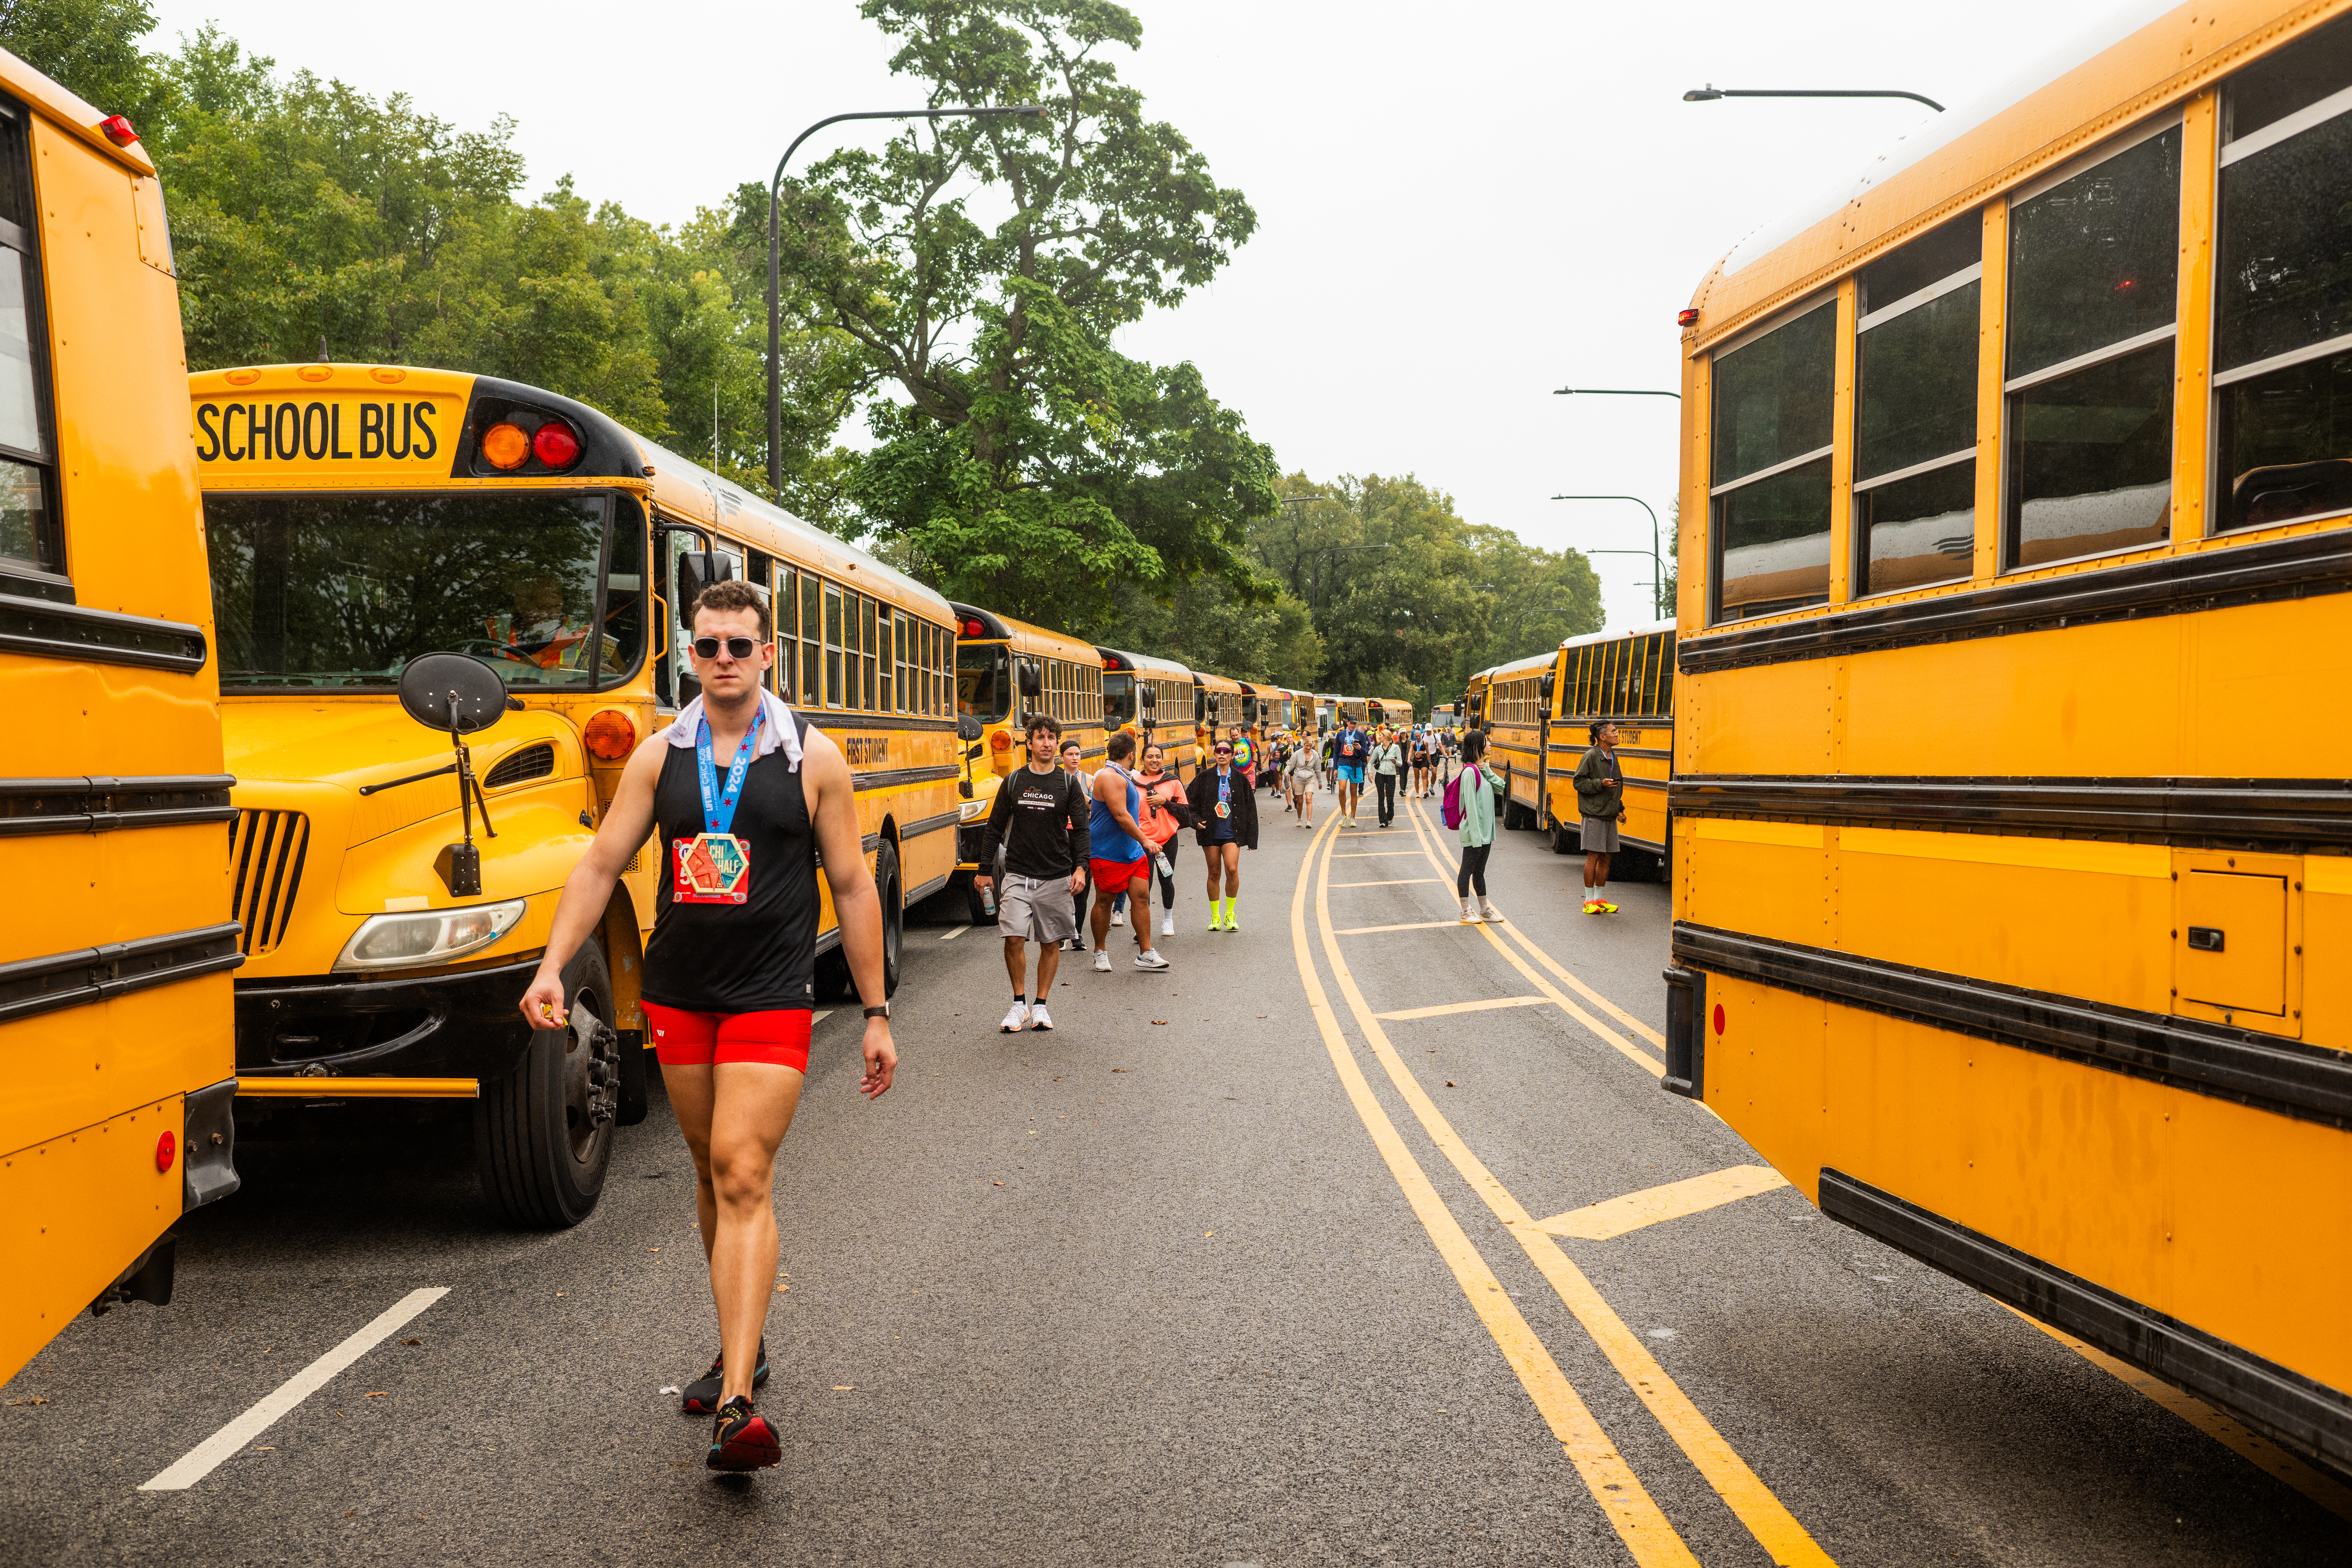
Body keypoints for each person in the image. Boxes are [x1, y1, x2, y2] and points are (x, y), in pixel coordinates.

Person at [516, 579, 896, 1475]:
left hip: (771, 991)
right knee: (705, 1168)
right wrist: (548, 966)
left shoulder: (813, 757)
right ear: (690, 655)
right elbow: (602, 862)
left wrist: (876, 1011)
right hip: (681, 993)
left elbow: (851, 885)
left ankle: (737, 1405)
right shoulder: (660, 755)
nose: (722, 657)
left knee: (742, 1166)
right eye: (707, 645)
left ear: (769, 653)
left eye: (739, 644)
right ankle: (744, 1340)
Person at [976, 716, 1090, 1032]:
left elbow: (1081, 830)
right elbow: (994, 828)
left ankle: (1041, 1006)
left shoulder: (1068, 784)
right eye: (1041, 737)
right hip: (1018, 874)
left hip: (1056, 876)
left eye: (1052, 738)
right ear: (1029, 743)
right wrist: (985, 870)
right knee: (1013, 937)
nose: (1047, 743)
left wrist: (1081, 867)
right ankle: (1018, 1003)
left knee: (1050, 942)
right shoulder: (1013, 781)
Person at [1086, 731, 1169, 971]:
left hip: (1132, 852)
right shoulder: (1110, 777)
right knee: (1104, 902)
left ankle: (1146, 952)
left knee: (1142, 898)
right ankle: (1100, 951)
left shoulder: (1124, 774)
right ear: (1132, 755)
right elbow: (1121, 816)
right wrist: (1147, 841)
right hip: (1108, 852)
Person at [1188, 736, 1257, 930]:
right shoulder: (1204, 777)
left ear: (1233, 755)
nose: (1222, 754)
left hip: (1232, 832)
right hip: (1210, 832)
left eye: (1226, 752)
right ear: (1215, 754)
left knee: (1232, 870)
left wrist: (1252, 839)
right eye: (1219, 751)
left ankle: (1230, 914)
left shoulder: (1240, 779)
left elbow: (1251, 808)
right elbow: (1189, 802)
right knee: (1214, 873)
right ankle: (1215, 917)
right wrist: (1194, 821)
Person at [1573, 720, 1628, 915]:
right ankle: (1588, 901)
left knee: (1606, 856)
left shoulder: (1613, 756)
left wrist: (1619, 809)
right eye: (1614, 731)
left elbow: (1618, 784)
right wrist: (1600, 784)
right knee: (1594, 856)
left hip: (1609, 814)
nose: (1617, 734)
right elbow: (1578, 782)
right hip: (1594, 814)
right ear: (1602, 737)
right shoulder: (1591, 756)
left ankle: (1599, 899)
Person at [1452, 730, 1506, 925]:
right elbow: (1470, 808)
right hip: (1475, 833)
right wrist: (1476, 836)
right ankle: (1465, 911)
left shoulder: (1483, 770)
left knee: (1480, 871)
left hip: (1485, 833)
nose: (1490, 744)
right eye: (1487, 741)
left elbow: (1502, 787)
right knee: (1466, 871)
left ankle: (1484, 910)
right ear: (1477, 746)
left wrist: (1488, 771)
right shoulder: (1469, 772)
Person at [1059, 737, 1089, 951]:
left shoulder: (1089, 779)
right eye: (1070, 754)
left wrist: (1081, 794)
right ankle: (1060, 935)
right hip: (1060, 837)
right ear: (1062, 758)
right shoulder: (1055, 779)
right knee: (1060, 888)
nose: (1075, 758)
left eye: (1078, 754)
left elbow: (1097, 807)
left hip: (1081, 835)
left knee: (1081, 888)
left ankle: (1077, 934)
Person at [1333, 718, 1368, 828]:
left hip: (1356, 765)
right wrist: (1335, 768)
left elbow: (1366, 752)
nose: (1353, 726)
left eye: (1355, 724)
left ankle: (1353, 817)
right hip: (1343, 763)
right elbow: (1336, 752)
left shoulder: (1361, 735)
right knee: (1342, 789)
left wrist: (1360, 748)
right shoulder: (1341, 734)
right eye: (1352, 723)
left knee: (1354, 792)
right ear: (1347, 723)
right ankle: (1344, 814)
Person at [1286, 727, 1320, 827]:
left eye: (1310, 746)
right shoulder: (1297, 754)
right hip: (1298, 779)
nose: (1309, 748)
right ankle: (1300, 818)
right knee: (1300, 801)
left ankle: (1309, 821)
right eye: (1307, 746)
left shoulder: (1315, 755)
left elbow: (1318, 769)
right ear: (1304, 745)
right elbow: (1291, 765)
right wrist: (1287, 770)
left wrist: (1321, 782)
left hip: (1310, 779)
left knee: (1309, 799)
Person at [1371, 725, 1404, 828]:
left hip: (1391, 775)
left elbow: (1401, 763)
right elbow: (1371, 762)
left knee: (1390, 798)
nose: (1379, 737)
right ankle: (1383, 821)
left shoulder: (1396, 748)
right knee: (1381, 797)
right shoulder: (1378, 749)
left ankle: (1390, 815)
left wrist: (1396, 762)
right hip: (1380, 775)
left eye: (1381, 735)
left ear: (1385, 737)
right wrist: (1370, 773)